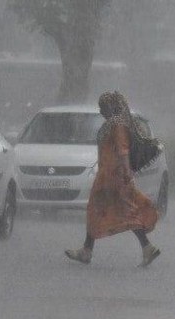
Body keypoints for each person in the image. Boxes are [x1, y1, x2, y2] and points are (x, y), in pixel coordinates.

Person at [65, 91, 161, 267]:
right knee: (112, 211)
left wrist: (125, 172)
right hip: (108, 175)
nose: (101, 110)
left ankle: (88, 250)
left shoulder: (117, 125)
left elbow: (123, 149)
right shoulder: (113, 124)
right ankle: (145, 247)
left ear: (112, 106)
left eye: (103, 106)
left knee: (117, 212)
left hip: (114, 177)